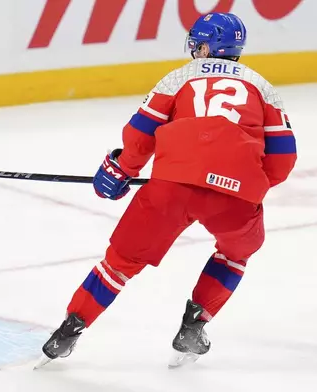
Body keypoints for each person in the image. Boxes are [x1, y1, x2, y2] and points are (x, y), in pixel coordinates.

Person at [38, 12, 297, 369]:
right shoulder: (262, 87)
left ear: (208, 46)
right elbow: (283, 158)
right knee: (236, 253)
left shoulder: (178, 78)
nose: (194, 49)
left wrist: (121, 169)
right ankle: (195, 324)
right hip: (235, 197)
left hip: (172, 187)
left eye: (199, 43)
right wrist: (246, 182)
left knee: (120, 262)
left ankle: (69, 329)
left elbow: (141, 134)